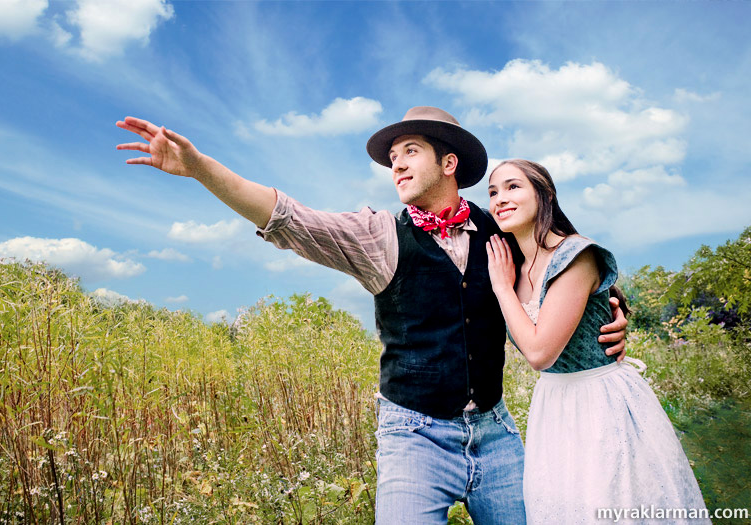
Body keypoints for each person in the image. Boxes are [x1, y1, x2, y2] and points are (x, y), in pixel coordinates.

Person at [116, 107, 628, 524]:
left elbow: (558, 271)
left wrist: (611, 315)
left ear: (449, 163)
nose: (397, 165)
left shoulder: (501, 231)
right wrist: (202, 168)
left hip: (496, 432)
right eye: (391, 157)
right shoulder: (377, 235)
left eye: (411, 151)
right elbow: (286, 216)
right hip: (413, 435)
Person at [485, 159, 709, 524]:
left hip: (600, 402)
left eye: (513, 187)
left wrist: (499, 287)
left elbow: (540, 352)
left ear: (544, 195)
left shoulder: (577, 255)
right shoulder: (509, 264)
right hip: (554, 404)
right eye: (493, 192)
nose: (500, 199)